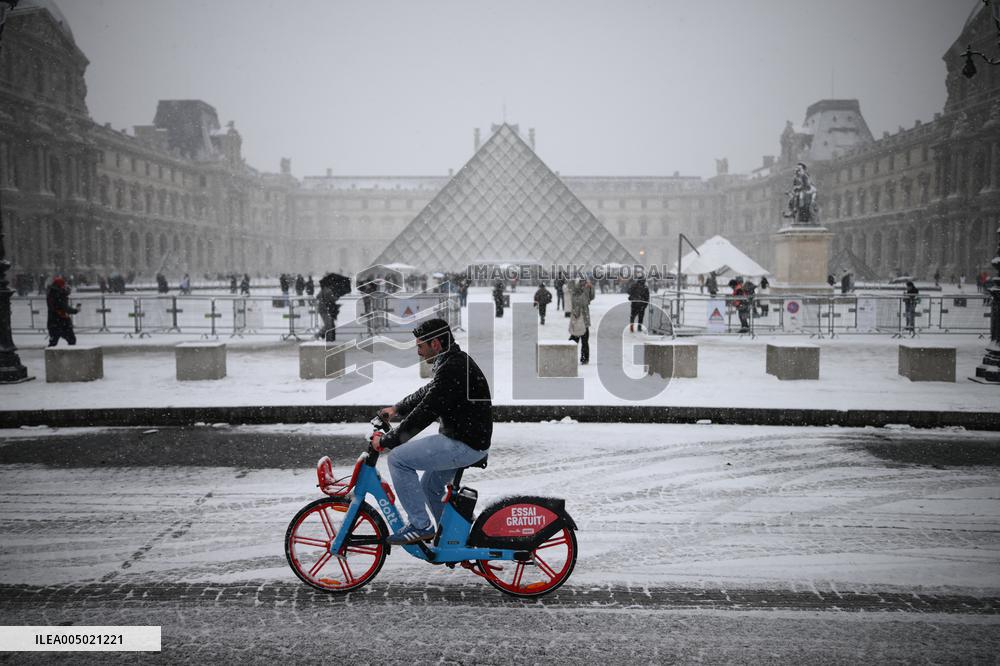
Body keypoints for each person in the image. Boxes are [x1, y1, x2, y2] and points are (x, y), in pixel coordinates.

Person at [372, 319, 492, 545]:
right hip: (468, 439)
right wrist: (397, 408)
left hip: (464, 443)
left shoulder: (453, 367)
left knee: (398, 459)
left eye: (420, 346)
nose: (418, 352)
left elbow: (426, 412)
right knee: (429, 486)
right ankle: (454, 539)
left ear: (435, 344)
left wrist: (390, 441)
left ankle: (420, 525)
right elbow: (427, 393)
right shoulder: (451, 361)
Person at [46, 276, 79, 347]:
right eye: (63, 285)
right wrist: (75, 310)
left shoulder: (51, 293)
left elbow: (55, 307)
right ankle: (70, 356)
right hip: (62, 321)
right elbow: (64, 307)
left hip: (53, 321)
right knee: (71, 339)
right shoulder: (59, 294)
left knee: (53, 341)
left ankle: (51, 357)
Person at [568, 278, 593, 364]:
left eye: (584, 283)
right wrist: (586, 289)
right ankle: (568, 355)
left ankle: (584, 358)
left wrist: (591, 288)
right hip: (578, 321)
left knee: (584, 341)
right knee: (574, 340)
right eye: (582, 283)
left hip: (584, 322)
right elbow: (582, 301)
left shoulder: (585, 293)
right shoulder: (575, 294)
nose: (583, 285)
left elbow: (591, 297)